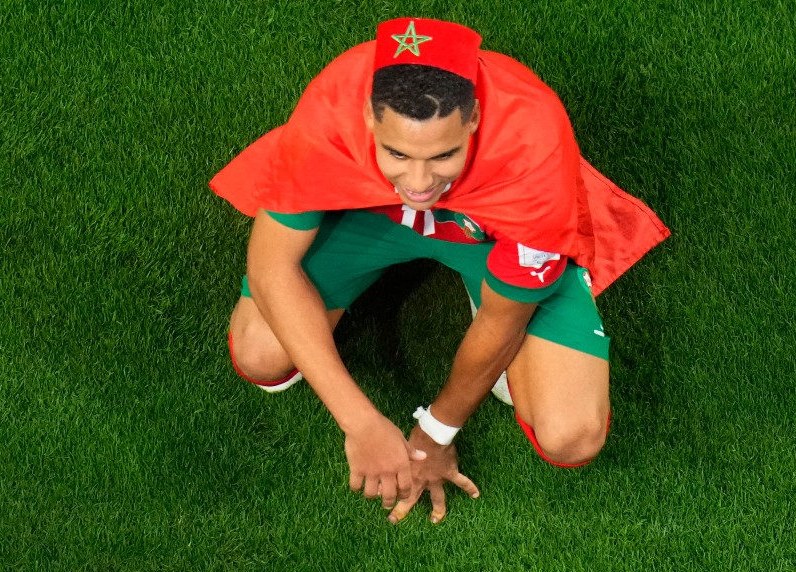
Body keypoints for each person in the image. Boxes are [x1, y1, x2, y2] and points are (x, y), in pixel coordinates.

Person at [213, 18, 668, 523]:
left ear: (472, 118)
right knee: (261, 357)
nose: (420, 181)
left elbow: (503, 319)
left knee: (571, 435)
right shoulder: (335, 99)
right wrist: (360, 422)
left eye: (444, 154)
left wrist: (435, 434)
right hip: (367, 212)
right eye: (398, 153)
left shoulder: (533, 142)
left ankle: (516, 287)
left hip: (491, 229)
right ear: (368, 115)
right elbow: (272, 264)